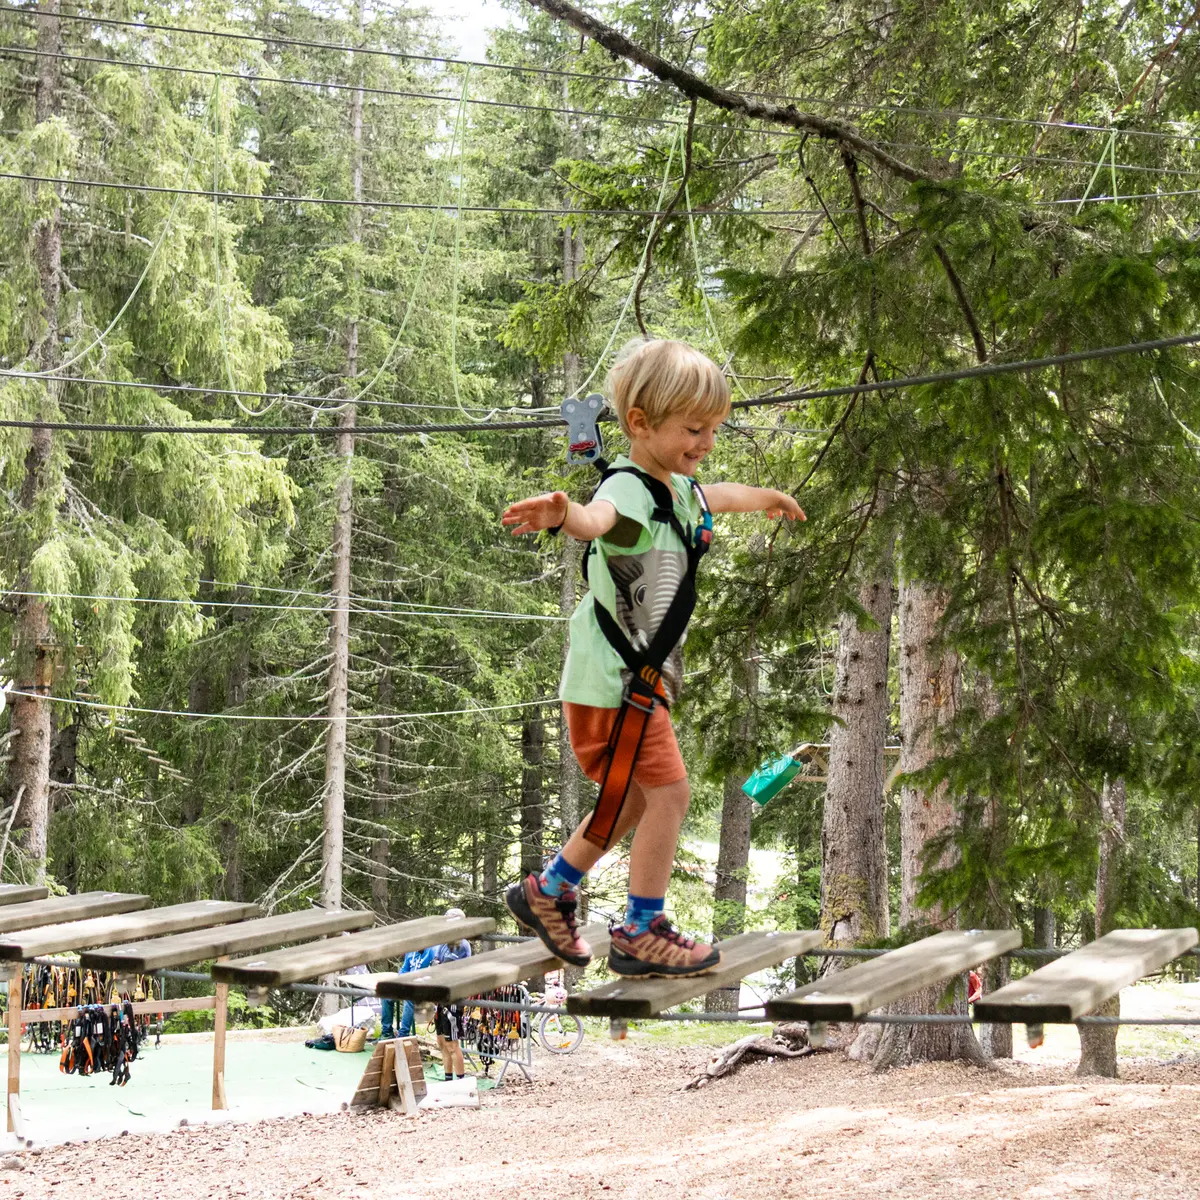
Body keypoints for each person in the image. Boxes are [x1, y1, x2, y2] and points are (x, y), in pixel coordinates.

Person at [501, 338, 805, 977]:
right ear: (640, 424)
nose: (707, 442)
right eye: (695, 429)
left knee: (632, 801)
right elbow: (599, 518)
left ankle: (550, 889)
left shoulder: (678, 489)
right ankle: (642, 927)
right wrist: (564, 514)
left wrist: (765, 497)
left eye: (714, 429)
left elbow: (715, 495)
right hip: (614, 682)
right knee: (670, 794)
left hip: (622, 681)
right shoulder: (632, 490)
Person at [433, 908, 471, 1081]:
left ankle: (461, 1081)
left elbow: (445, 968)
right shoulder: (441, 943)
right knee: (441, 1042)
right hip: (440, 996)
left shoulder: (461, 944)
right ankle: (448, 1080)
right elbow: (434, 966)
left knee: (452, 1043)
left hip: (453, 997)